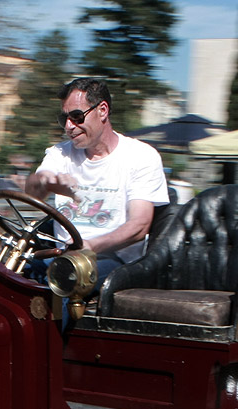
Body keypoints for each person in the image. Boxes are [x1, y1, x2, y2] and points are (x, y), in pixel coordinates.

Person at [25, 77, 169, 292]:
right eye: (63, 118)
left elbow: (139, 226)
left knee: (68, 276)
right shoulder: (60, 154)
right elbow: (34, 191)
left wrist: (89, 247)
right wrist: (45, 181)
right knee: (6, 274)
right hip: (60, 256)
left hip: (114, 260)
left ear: (102, 110)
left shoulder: (142, 156)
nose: (68, 126)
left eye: (76, 116)